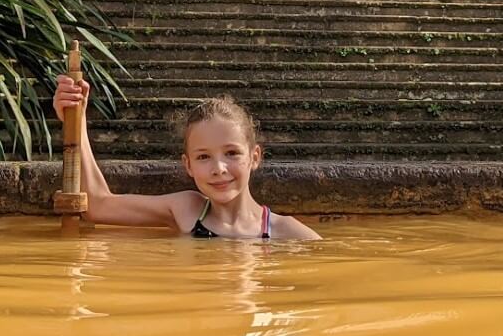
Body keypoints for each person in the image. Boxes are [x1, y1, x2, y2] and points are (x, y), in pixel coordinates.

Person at [53, 75, 321, 241]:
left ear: (254, 157)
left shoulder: (283, 232)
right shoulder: (187, 211)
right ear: (188, 165)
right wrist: (77, 121)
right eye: (204, 157)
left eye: (231, 153)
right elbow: (98, 206)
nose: (218, 169)